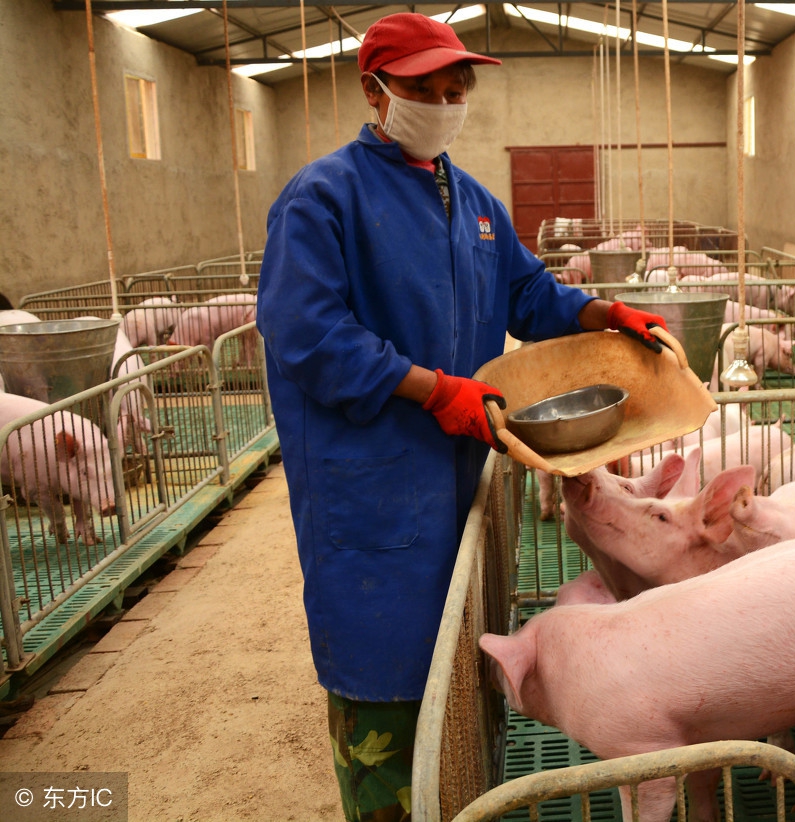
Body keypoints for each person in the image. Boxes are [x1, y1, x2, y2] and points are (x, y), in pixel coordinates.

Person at [255, 13, 668, 822]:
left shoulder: (471, 199)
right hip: (373, 481)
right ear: (373, 90)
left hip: (458, 477)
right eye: (420, 88)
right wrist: (430, 388)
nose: (443, 102)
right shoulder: (323, 197)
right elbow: (307, 334)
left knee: (458, 666)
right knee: (385, 675)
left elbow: (527, 293)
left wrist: (603, 313)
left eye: (455, 88)